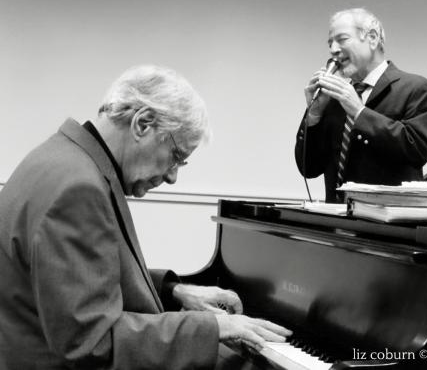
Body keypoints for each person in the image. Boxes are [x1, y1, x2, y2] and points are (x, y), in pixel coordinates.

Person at [0, 65, 291, 369]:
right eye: (177, 156)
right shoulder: (78, 188)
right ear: (142, 124)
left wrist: (173, 291)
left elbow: (71, 276)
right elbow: (92, 345)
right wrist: (213, 328)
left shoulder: (62, 158)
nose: (173, 177)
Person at [295, 8, 427, 203]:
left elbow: (417, 152)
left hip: (386, 227)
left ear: (372, 38)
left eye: (342, 39)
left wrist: (359, 112)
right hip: (336, 224)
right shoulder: (333, 98)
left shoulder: (416, 88)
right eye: (330, 43)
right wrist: (314, 116)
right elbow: (309, 168)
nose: (333, 49)